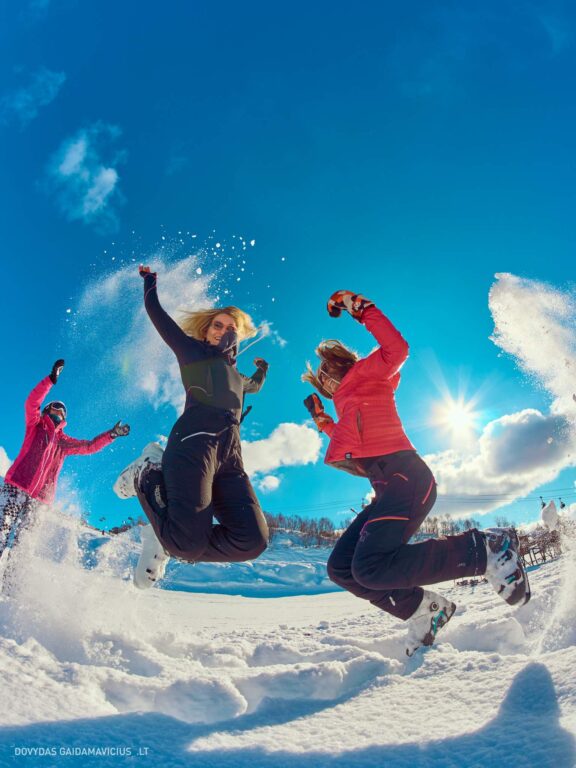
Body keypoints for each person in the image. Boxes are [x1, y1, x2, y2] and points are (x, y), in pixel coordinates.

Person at [303, 290, 530, 656]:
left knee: (371, 567)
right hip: (386, 488)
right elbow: (352, 437)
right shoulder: (345, 404)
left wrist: (359, 308)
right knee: (341, 567)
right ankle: (425, 610)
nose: (327, 380)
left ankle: (485, 549)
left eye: (329, 370)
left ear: (343, 361)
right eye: (322, 380)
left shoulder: (371, 373)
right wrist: (322, 421)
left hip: (407, 478)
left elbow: (398, 347)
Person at [113, 266, 269, 588]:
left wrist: (262, 369)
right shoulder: (194, 353)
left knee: (252, 540)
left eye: (231, 328)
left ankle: (167, 535)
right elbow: (159, 317)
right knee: (186, 542)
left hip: (230, 453)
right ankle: (147, 472)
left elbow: (252, 385)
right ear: (207, 331)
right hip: (194, 443)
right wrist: (150, 283)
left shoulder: (237, 377)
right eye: (218, 325)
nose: (223, 331)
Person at [0, 360, 130, 561]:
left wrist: (111, 435)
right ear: (46, 411)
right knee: (1, 531)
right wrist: (50, 380)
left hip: (40, 501)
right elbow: (31, 403)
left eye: (62, 412)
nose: (59, 412)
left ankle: (12, 589)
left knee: (22, 550)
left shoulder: (64, 442)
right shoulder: (35, 427)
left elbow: (89, 447)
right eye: (55, 408)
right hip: (16, 487)